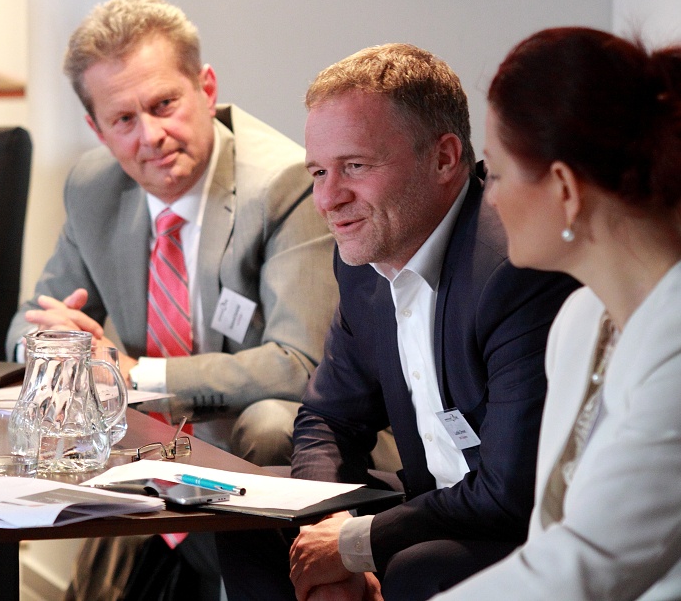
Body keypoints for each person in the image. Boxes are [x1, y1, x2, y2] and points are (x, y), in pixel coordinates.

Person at [218, 43, 579, 601]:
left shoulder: (514, 268)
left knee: (417, 567)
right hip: (430, 500)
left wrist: (354, 544)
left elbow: (509, 493)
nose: (327, 199)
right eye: (319, 171)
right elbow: (329, 418)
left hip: (517, 527)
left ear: (444, 159)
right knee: (248, 521)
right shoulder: (364, 257)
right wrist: (324, 533)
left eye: (355, 167)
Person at [5, 0, 336, 601]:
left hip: (245, 448)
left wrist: (130, 373)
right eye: (123, 120)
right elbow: (25, 328)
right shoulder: (94, 186)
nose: (151, 136)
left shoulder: (285, 183)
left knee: (269, 421)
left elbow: (299, 364)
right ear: (97, 129)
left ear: (206, 88)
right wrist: (63, 347)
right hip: (144, 456)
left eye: (164, 105)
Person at [430, 29, 681, 600]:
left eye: (495, 172)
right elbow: (552, 539)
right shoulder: (578, 319)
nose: (489, 196)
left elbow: (587, 563)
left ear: (565, 187)